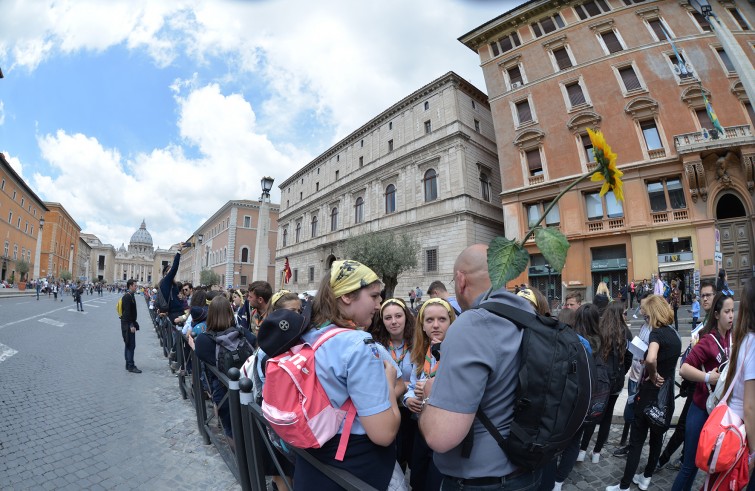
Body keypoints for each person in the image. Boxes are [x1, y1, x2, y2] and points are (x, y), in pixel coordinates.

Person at [420, 244, 543, 490]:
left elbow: (440, 437)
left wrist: (428, 397)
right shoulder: (529, 315)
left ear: (460, 280)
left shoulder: (471, 325)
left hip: (481, 481)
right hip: (528, 471)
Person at [289, 260, 400, 490]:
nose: (379, 304)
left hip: (312, 463)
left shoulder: (307, 334)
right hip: (355, 468)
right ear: (347, 296)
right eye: (374, 296)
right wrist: (389, 386)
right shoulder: (358, 345)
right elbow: (384, 433)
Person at [606, 295, 681, 491]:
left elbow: (652, 358)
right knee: (656, 440)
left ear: (654, 314)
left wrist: (653, 372)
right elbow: (665, 361)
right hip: (665, 399)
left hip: (648, 395)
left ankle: (624, 486)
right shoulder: (675, 336)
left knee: (637, 442)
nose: (646, 320)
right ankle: (646, 478)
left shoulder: (656, 334)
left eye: (647, 317)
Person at [671, 291, 735, 491]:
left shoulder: (733, 339)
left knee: (714, 464)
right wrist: (708, 377)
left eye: (733, 311)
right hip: (700, 410)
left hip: (720, 412)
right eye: (727, 311)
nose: (731, 315)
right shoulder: (707, 340)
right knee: (690, 465)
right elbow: (684, 368)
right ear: (716, 315)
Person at [656, 279, 717, 471]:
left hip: (704, 384)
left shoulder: (714, 324)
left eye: (708, 295)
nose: (705, 299)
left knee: (684, 425)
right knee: (689, 425)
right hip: (694, 381)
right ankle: (685, 457)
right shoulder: (705, 321)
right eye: (703, 295)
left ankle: (665, 460)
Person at [403, 298, 456, 491]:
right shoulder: (420, 352)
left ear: (451, 322)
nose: (435, 325)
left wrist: (433, 387)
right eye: (429, 320)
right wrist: (408, 398)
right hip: (421, 427)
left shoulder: (457, 352)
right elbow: (413, 385)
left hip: (445, 430)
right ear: (422, 325)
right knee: (417, 479)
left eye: (442, 319)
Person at [714, 277, 755, 491]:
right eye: (726, 311)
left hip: (738, 429)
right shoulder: (752, 342)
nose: (731, 314)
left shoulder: (744, 338)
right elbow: (750, 406)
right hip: (745, 434)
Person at [578, 302, 632, 464]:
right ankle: (597, 452)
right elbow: (629, 359)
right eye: (624, 313)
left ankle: (582, 450)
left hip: (600, 381)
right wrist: (622, 372)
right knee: (607, 417)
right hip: (615, 382)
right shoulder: (626, 333)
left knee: (593, 413)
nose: (625, 316)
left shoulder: (601, 330)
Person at [368, 298, 415, 472]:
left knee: (415, 461)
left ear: (406, 317)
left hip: (412, 413)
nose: (394, 322)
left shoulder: (418, 343)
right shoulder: (375, 345)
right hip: (387, 411)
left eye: (398, 316)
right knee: (394, 462)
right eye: (388, 318)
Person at [120, 279, 141, 373]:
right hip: (127, 324)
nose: (136, 287)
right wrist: (131, 325)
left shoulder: (130, 295)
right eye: (135, 285)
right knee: (131, 345)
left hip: (127, 323)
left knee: (128, 344)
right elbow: (127, 313)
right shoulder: (127, 297)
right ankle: (131, 366)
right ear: (130, 286)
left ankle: (128, 364)